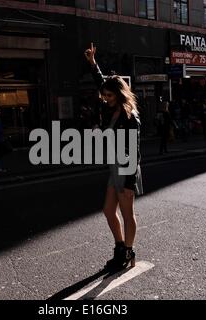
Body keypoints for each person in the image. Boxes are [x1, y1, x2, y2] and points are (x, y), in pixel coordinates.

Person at [85, 43, 143, 271]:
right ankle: (120, 247)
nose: (105, 97)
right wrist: (92, 63)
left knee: (128, 213)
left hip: (126, 168)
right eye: (104, 95)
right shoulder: (111, 107)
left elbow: (134, 150)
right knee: (109, 211)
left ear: (118, 94)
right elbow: (102, 81)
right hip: (114, 166)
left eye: (109, 95)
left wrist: (129, 181)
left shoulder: (130, 118)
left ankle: (128, 252)